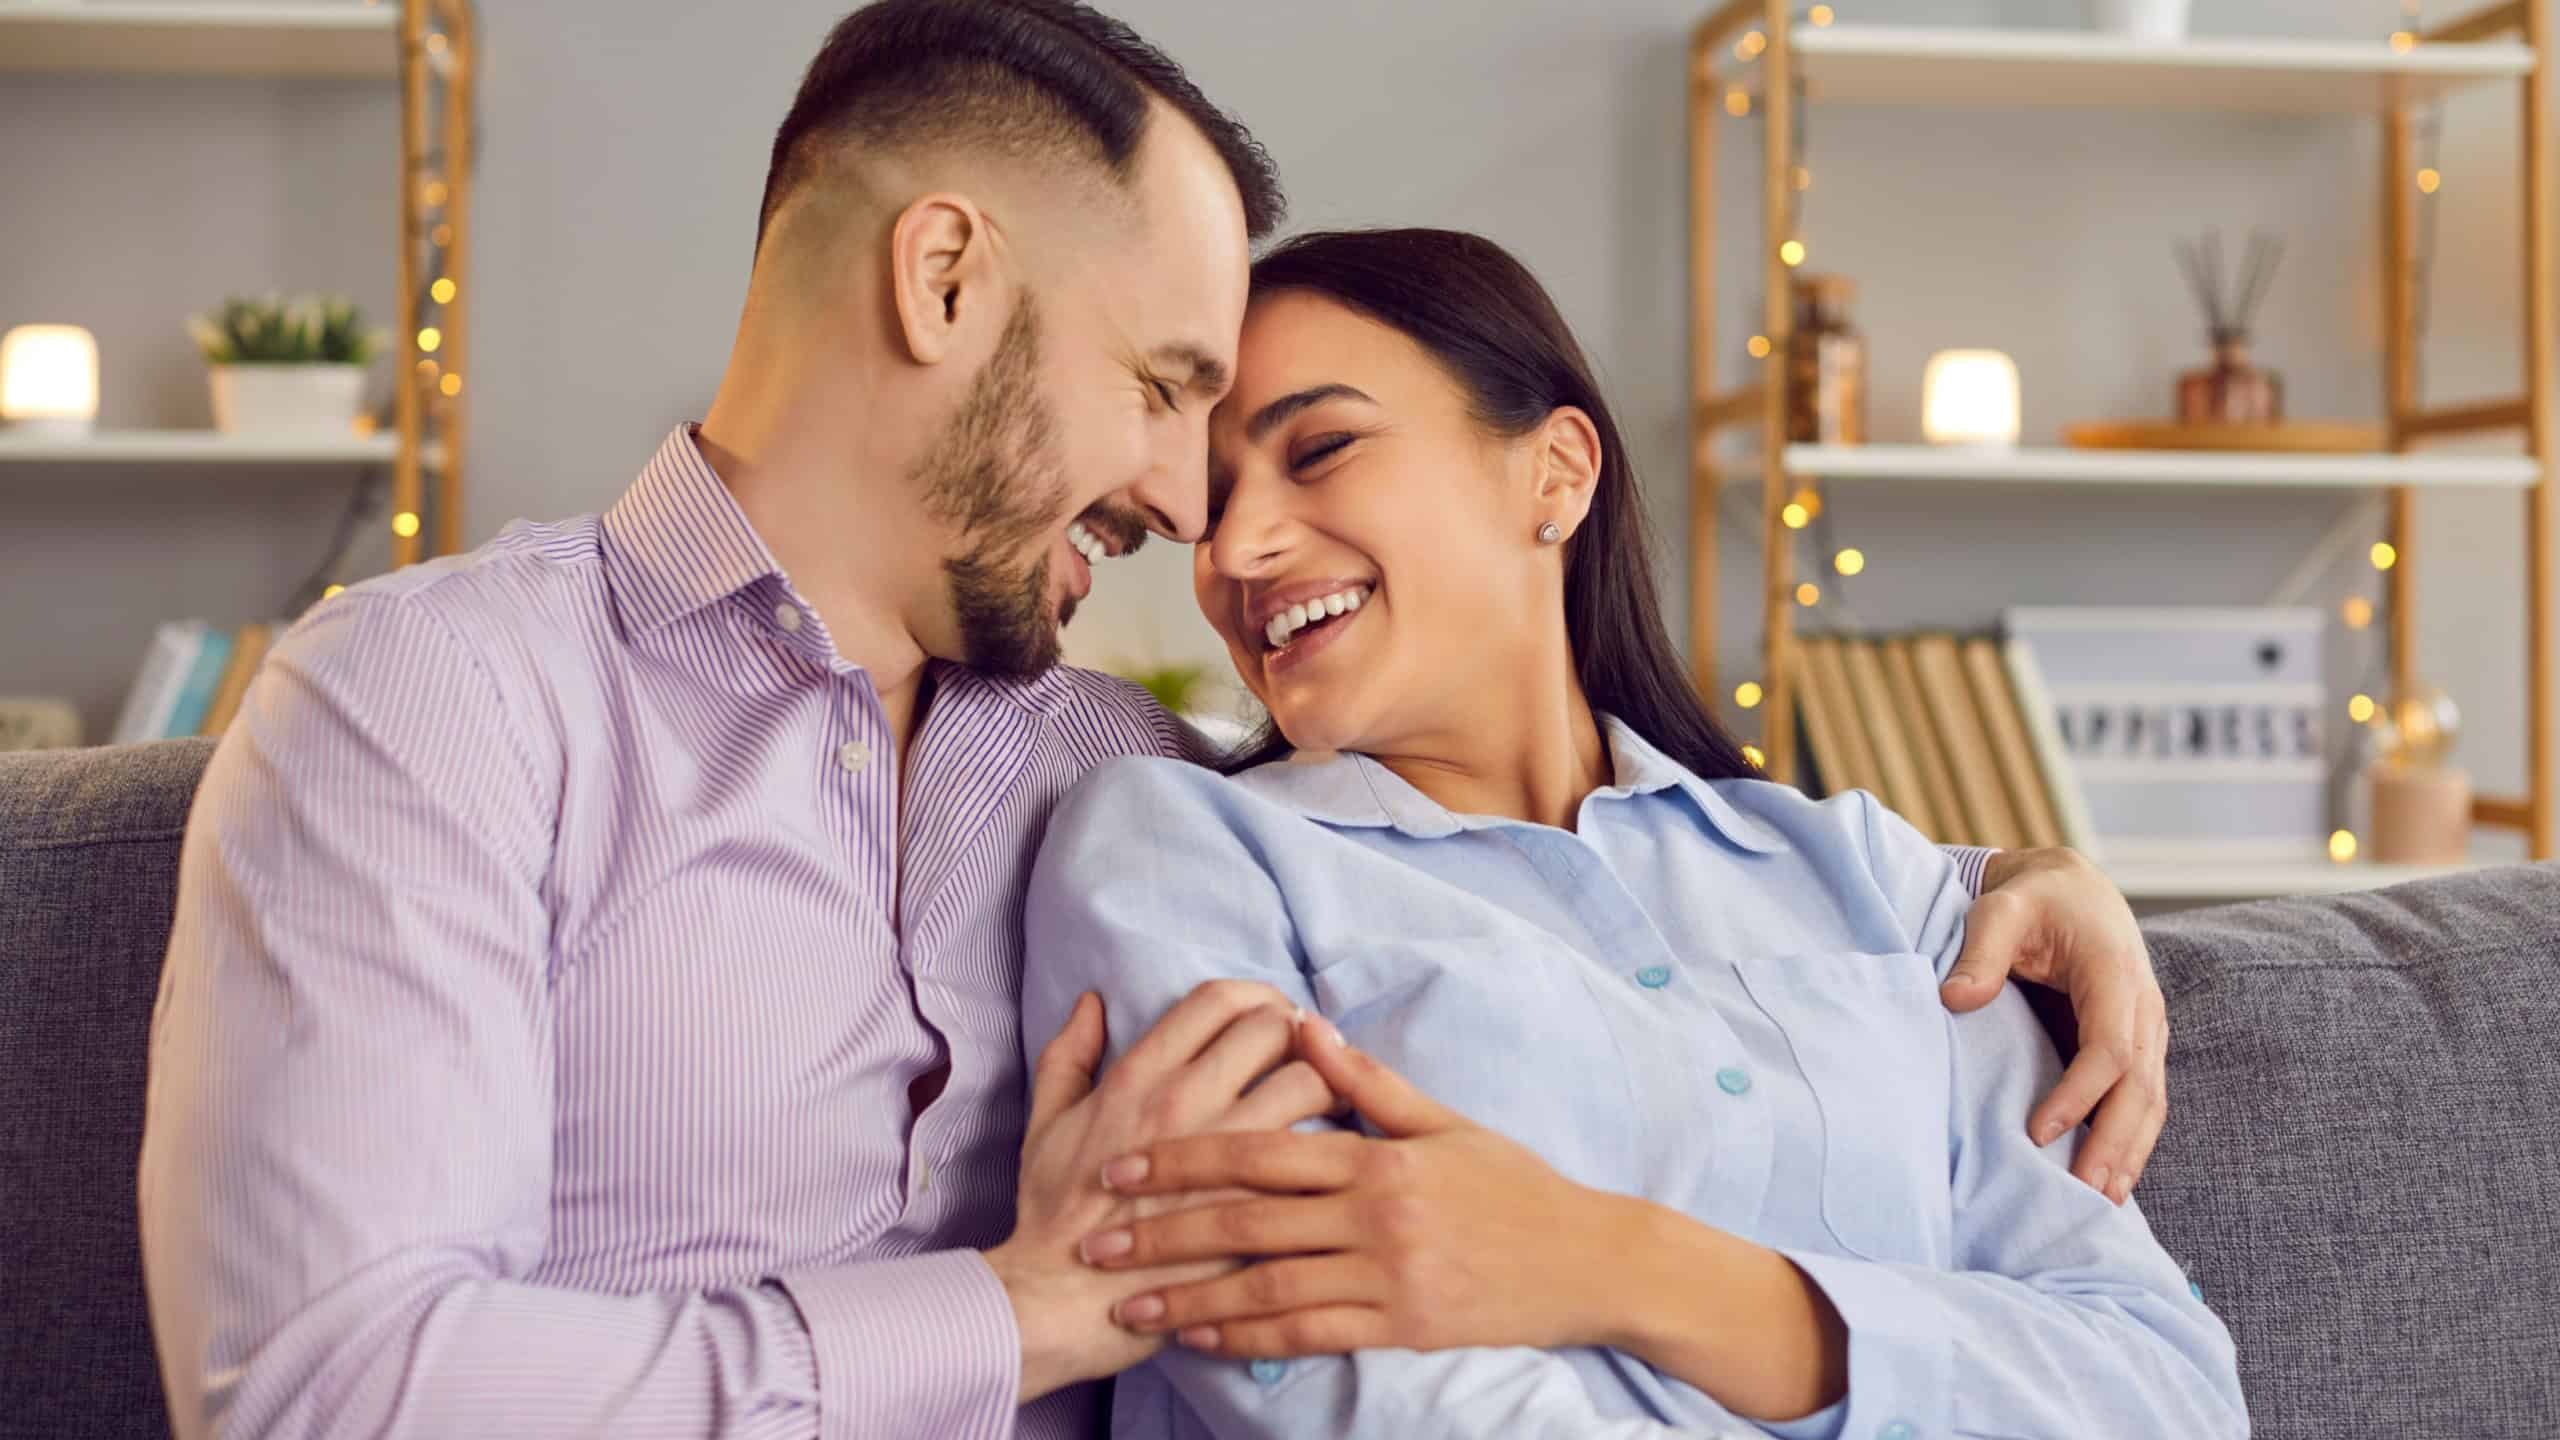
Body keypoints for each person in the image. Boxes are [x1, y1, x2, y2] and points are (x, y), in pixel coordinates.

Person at [137, 3, 2169, 1436]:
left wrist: (1988, 885)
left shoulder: (1121, 771)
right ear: (945, 282)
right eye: (1164, 383)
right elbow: (331, 1395)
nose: (1192, 510)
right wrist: (1008, 1317)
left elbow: (1527, 890)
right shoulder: (437, 701)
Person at [1019, 228, 2244, 1438]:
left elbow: (2164, 1390)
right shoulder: (1182, 847)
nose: (1237, 548)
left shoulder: (1872, 879)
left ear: (1554, 472)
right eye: (1215, 506)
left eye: (1322, 448)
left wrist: (1621, 1266)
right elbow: (1316, 1368)